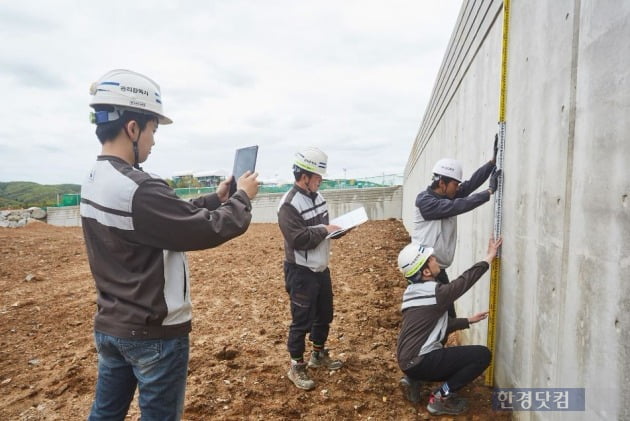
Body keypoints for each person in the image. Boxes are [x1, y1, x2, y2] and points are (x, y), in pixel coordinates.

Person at [81, 69, 259, 421]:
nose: (153, 141)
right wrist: (242, 199)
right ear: (133, 127)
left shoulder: (93, 179)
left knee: (105, 414)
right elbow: (206, 231)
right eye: (153, 130)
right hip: (153, 334)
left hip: (112, 326)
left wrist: (216, 197)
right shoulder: (140, 188)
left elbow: (162, 220)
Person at [395, 236, 503, 416]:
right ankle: (440, 397)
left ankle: (413, 380)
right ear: (426, 272)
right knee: (482, 355)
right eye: (431, 259)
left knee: (443, 355)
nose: (436, 260)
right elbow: (463, 282)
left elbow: (435, 327)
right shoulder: (437, 293)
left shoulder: (412, 292)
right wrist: (489, 257)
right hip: (421, 361)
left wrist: (467, 321)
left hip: (407, 361)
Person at [277, 147, 345, 390]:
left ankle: (318, 354)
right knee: (301, 320)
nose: (320, 181)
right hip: (301, 271)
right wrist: (325, 230)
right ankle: (296, 365)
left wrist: (338, 229)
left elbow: (324, 229)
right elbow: (298, 239)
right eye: (317, 177)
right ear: (304, 176)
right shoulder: (288, 204)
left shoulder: (320, 198)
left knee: (324, 314)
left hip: (320, 267)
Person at [412, 141, 502, 320]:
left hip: (437, 270)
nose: (458, 188)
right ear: (442, 183)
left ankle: (438, 344)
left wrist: (491, 164)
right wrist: (489, 192)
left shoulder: (446, 194)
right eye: (455, 184)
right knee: (435, 320)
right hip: (424, 274)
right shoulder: (426, 201)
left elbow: (468, 186)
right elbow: (457, 206)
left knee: (448, 318)